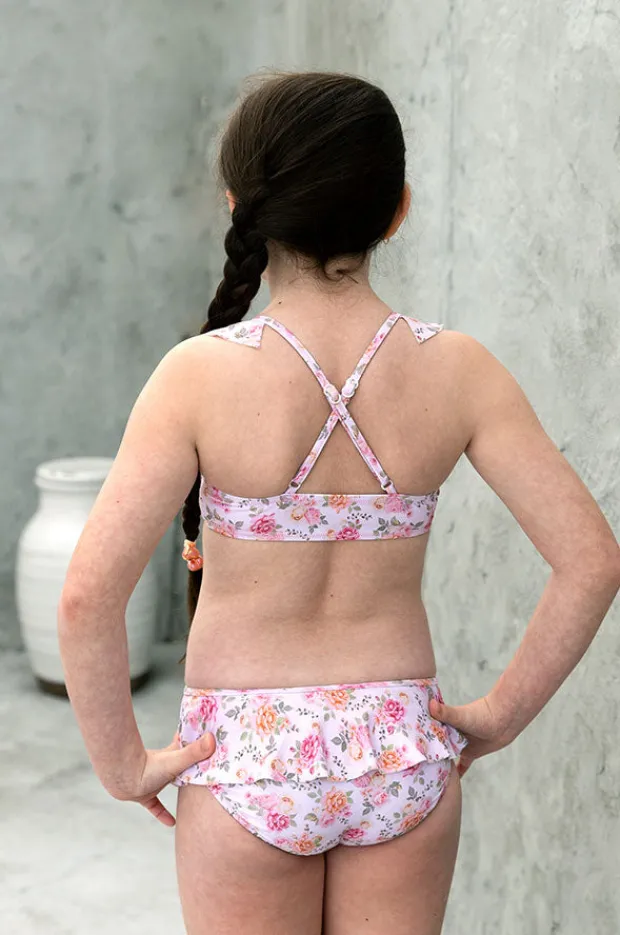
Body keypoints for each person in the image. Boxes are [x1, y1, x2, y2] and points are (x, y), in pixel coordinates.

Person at [58, 72, 620, 935]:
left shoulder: (198, 377)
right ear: (396, 211)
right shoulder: (459, 370)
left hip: (247, 761)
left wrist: (122, 763)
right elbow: (593, 560)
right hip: (403, 753)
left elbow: (87, 596)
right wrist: (500, 716)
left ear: (241, 206)